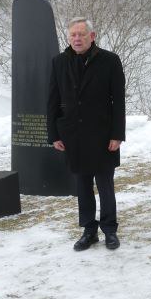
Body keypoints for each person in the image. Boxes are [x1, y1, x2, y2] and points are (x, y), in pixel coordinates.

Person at [47, 17, 125, 251]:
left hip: (103, 136)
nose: (77, 39)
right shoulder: (59, 62)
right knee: (82, 186)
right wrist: (54, 134)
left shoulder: (110, 61)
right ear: (68, 37)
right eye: (73, 35)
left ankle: (109, 229)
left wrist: (117, 134)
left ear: (92, 35)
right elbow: (53, 101)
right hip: (73, 136)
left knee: (105, 185)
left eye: (81, 34)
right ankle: (89, 230)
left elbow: (118, 102)